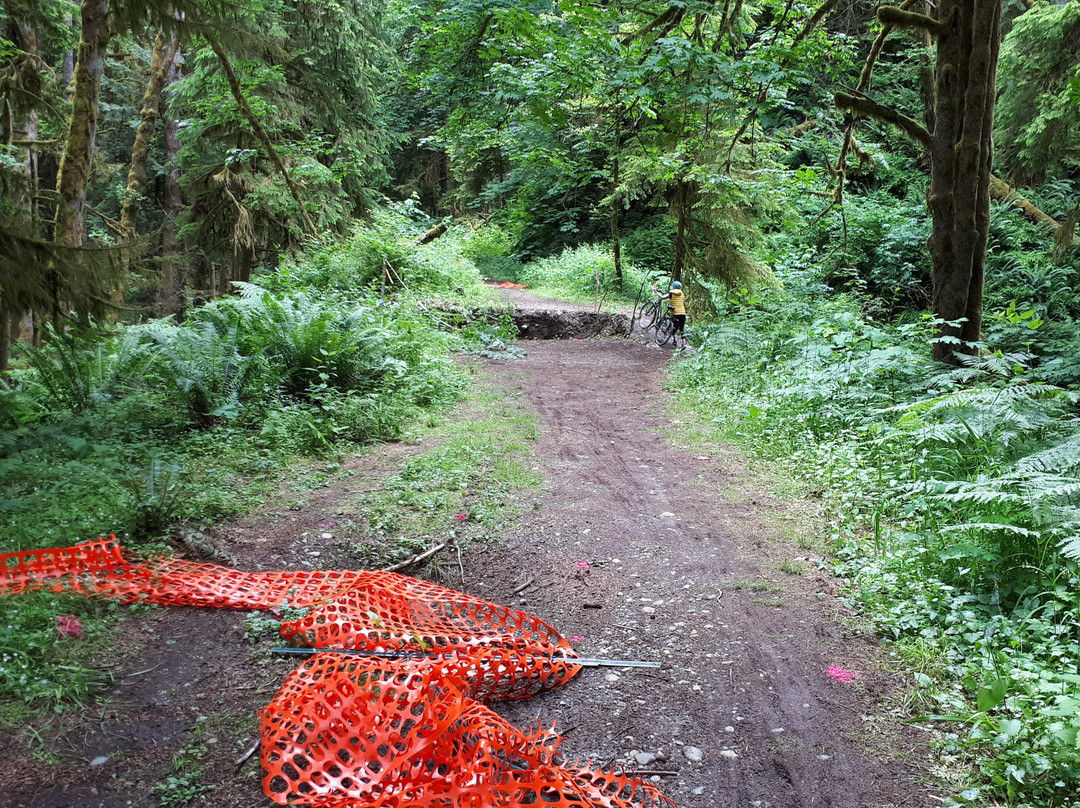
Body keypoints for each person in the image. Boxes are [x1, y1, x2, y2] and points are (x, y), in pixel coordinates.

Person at [654, 280, 688, 349]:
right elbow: (684, 304)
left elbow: (662, 297)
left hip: (675, 312)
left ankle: (672, 337)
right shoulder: (682, 294)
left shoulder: (671, 293)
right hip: (682, 313)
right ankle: (683, 344)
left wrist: (656, 292)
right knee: (682, 329)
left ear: (674, 286)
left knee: (674, 325)